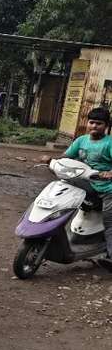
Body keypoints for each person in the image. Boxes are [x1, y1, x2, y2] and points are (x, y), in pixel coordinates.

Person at [43, 106, 112, 268]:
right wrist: (52, 161)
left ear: (106, 126)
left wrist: (109, 173)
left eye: (99, 123)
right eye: (92, 122)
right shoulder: (81, 140)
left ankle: (110, 256)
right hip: (87, 183)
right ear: (87, 123)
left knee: (110, 223)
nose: (94, 126)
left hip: (107, 189)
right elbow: (66, 157)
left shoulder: (109, 143)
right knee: (63, 198)